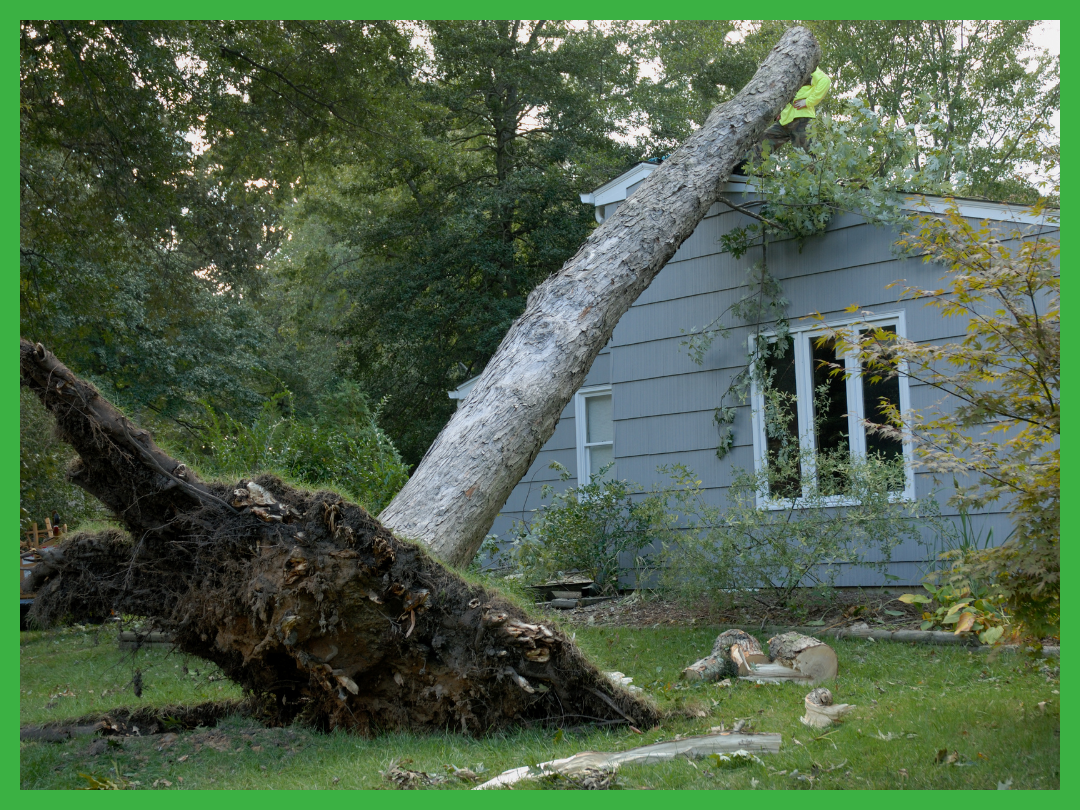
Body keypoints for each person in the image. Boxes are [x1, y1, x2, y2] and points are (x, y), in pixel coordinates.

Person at [757, 67, 831, 156]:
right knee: (762, 144)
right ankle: (741, 168)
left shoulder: (813, 71)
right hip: (785, 119)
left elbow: (825, 81)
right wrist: (780, 109)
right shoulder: (791, 70)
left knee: (807, 156)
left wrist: (807, 102)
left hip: (803, 120)